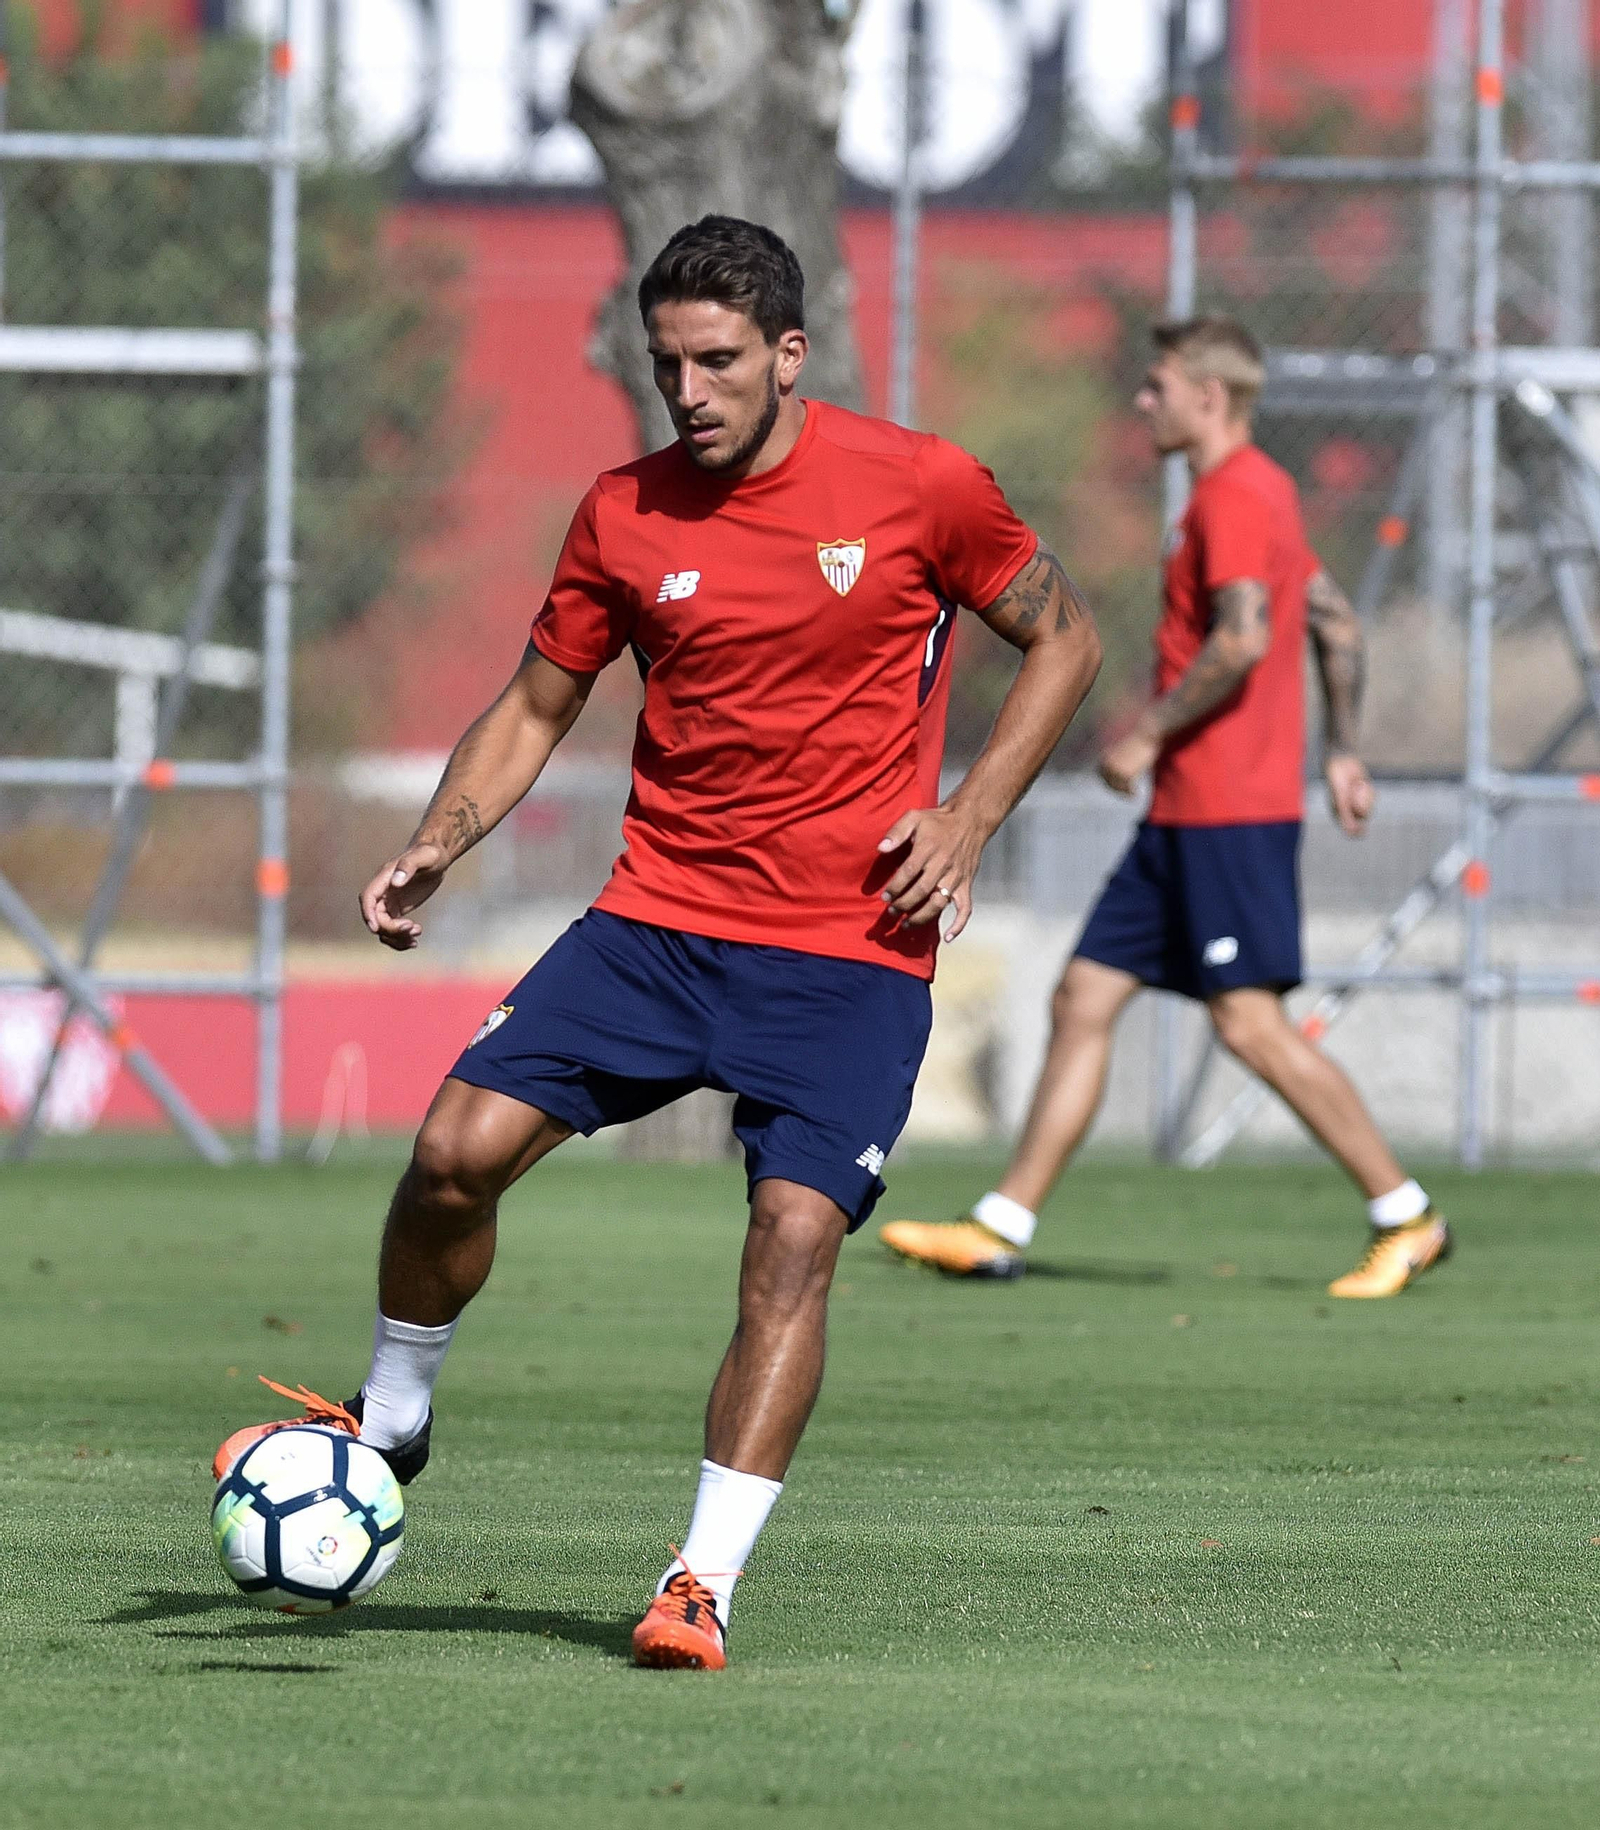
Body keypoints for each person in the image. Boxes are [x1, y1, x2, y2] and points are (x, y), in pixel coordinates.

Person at [212, 216, 1102, 1669]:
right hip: (656, 925)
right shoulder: (623, 513)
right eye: (666, 362)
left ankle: (702, 1581)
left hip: (846, 947)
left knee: (793, 1238)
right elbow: (533, 704)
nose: (688, 391)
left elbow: (1065, 637)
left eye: (719, 361)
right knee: (450, 1157)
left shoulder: (921, 484)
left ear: (790, 355)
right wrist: (441, 835)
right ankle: (391, 1416)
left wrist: (970, 817)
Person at [880, 315, 1450, 1300]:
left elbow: (1240, 639)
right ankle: (999, 1225)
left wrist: (1145, 734)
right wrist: (1345, 750)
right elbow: (1330, 616)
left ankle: (1405, 1216)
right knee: (1083, 998)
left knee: (1248, 1027)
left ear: (1208, 397)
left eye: (1157, 387)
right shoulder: (1257, 493)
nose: (1143, 402)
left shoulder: (1234, 494)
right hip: (1183, 819)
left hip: (1227, 810)